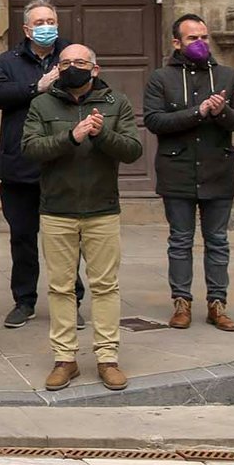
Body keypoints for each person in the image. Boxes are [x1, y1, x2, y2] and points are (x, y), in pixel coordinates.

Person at [21, 43, 144, 392]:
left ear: (95, 68)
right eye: (65, 63)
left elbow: (133, 150)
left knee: (105, 286)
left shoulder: (114, 102)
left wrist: (100, 133)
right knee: (60, 288)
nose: (72, 67)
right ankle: (65, 359)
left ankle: (107, 358)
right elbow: (30, 149)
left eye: (80, 62)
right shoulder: (41, 104)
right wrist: (70, 137)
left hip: (101, 209)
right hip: (57, 210)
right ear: (57, 70)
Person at [143, 13, 234, 333]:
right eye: (193, 38)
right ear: (177, 42)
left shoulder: (228, 77)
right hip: (176, 170)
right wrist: (199, 111)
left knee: (217, 240)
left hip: (218, 170)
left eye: (204, 37)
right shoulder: (161, 78)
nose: (201, 43)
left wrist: (223, 112)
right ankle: (182, 303)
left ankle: (217, 304)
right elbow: (154, 121)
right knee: (180, 240)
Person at [0, 0, 83, 329]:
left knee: (67, 238)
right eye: (39, 23)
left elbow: (94, 88)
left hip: (63, 164)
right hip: (20, 166)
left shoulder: (72, 55)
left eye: (51, 21)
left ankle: (71, 300)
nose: (47, 28)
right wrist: (35, 86)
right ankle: (24, 301)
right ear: (27, 29)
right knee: (23, 237)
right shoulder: (9, 60)